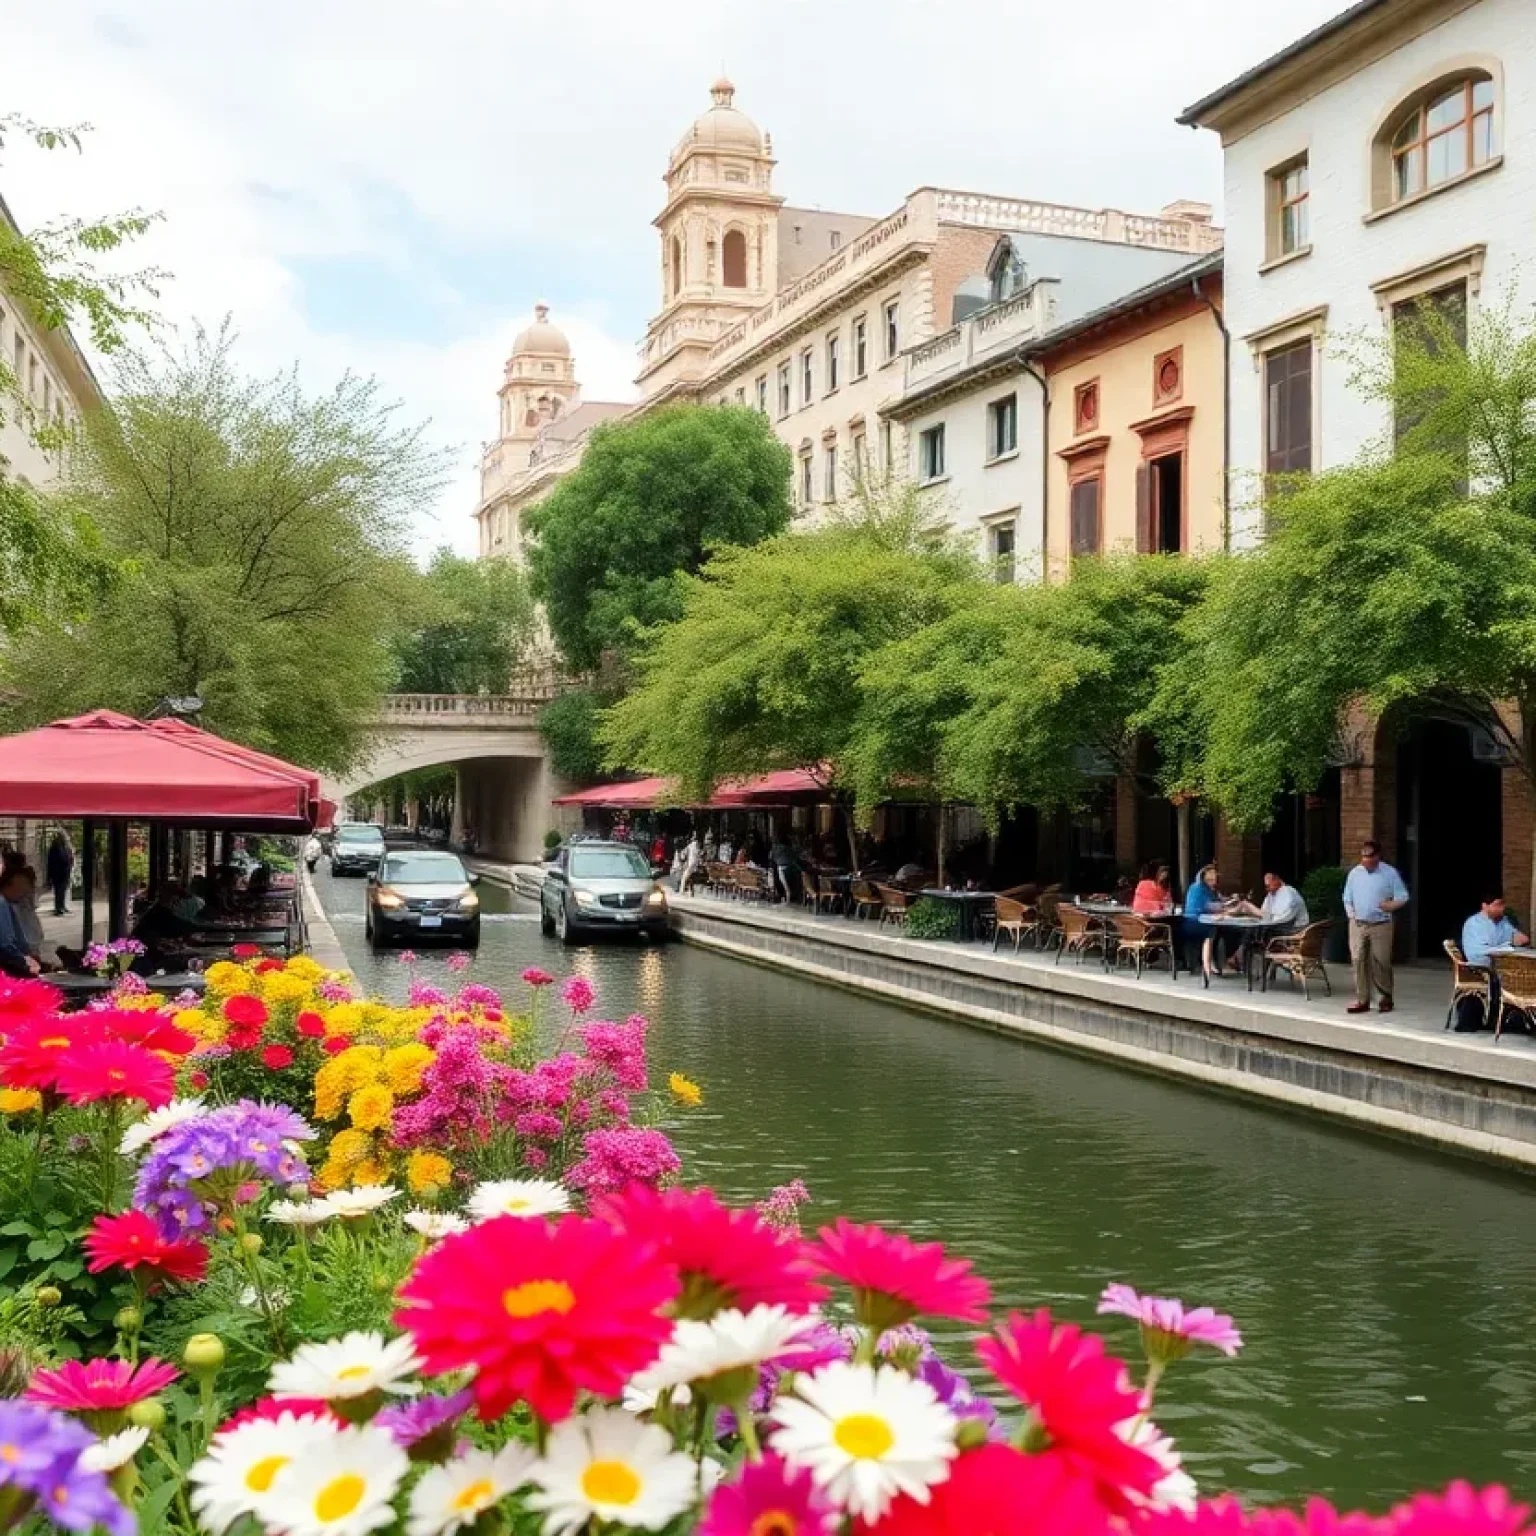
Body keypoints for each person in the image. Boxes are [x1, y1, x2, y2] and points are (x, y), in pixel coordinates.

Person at [1342, 840, 1409, 1014]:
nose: (1366, 860)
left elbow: (1403, 896)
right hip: (1358, 924)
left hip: (1381, 924)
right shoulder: (1354, 874)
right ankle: (1362, 999)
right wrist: (1351, 914)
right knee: (1358, 960)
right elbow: (1347, 897)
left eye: (1370, 857)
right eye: (1363, 856)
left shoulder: (1389, 873)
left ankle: (1385, 997)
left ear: (1378, 856)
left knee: (1381, 961)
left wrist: (1391, 906)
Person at [1460, 892, 1530, 1031]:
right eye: (1497, 905)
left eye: (1502, 905)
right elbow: (1479, 950)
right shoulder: (1475, 923)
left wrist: (1512, 940)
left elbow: (1522, 939)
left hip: (1499, 964)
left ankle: (1515, 1019)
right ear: (1485, 906)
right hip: (1478, 966)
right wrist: (1504, 945)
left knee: (1522, 976)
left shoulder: (1503, 922)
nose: (1501, 909)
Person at [1183, 864, 1239, 975]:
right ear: (1204, 877)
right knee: (1213, 932)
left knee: (1232, 932)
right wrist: (1225, 907)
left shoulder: (1210, 889)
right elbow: (1207, 905)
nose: (1213, 881)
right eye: (1211, 878)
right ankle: (1210, 962)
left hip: (1206, 918)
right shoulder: (1198, 888)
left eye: (1214, 878)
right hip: (1194, 920)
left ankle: (1227, 960)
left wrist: (1231, 899)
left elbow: (1219, 899)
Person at [0, 870, 41, 978]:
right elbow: (5, 944)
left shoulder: (9, 903)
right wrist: (24, 961)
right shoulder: (1, 903)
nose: (26, 890)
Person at [45, 832, 73, 917]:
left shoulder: (64, 847)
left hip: (64, 873)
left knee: (62, 891)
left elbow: (69, 857)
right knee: (59, 891)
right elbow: (55, 861)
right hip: (58, 873)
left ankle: (62, 906)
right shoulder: (56, 848)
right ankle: (58, 908)